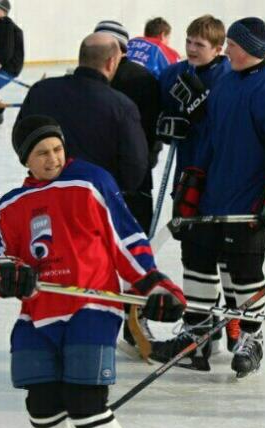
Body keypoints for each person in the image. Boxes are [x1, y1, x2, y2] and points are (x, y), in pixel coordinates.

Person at [0, 114, 186, 428]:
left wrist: (153, 283)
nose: (53, 157)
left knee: (84, 400)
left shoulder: (89, 182)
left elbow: (125, 238)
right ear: (26, 159)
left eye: (57, 148)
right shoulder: (10, 205)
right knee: (41, 402)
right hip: (38, 316)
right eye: (42, 153)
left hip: (91, 306)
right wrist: (7, 275)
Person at [150, 17, 265, 378]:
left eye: (231, 46)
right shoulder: (225, 84)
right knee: (197, 261)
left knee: (244, 270)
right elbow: (211, 138)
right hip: (212, 195)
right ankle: (197, 339)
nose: (227, 51)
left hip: (248, 198)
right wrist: (194, 178)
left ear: (248, 47)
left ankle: (252, 337)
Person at [154, 15, 241, 361]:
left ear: (218, 49)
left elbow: (230, 124)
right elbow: (160, 114)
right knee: (194, 253)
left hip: (220, 179)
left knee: (224, 254)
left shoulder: (229, 78)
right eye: (188, 41)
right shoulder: (174, 74)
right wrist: (166, 125)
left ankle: (231, 320)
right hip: (187, 176)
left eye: (199, 45)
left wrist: (200, 110)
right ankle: (201, 336)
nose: (191, 49)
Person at [93, 20, 163, 352]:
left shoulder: (142, 81)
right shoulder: (90, 78)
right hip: (100, 183)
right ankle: (101, 321)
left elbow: (149, 134)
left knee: (134, 255)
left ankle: (134, 320)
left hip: (130, 183)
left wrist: (142, 166)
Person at [16, 33, 149, 200]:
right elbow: (135, 167)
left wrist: (44, 172)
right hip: (95, 201)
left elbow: (21, 139)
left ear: (81, 58)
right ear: (111, 62)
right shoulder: (122, 106)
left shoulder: (40, 90)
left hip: (44, 197)